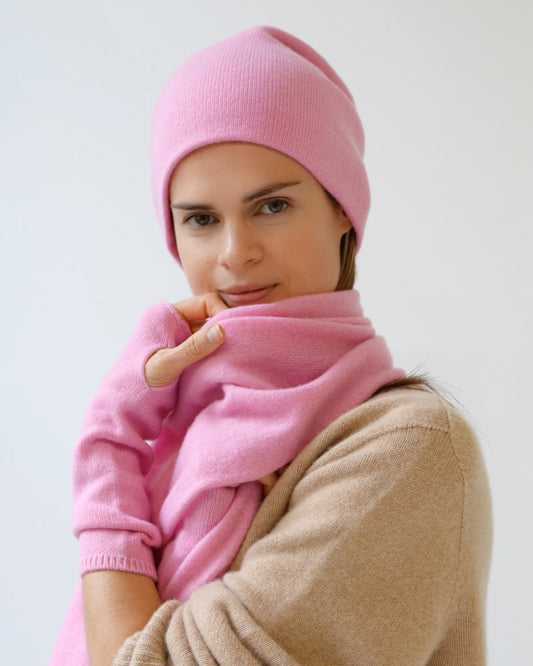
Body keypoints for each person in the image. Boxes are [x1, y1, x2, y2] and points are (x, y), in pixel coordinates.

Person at [49, 26, 492, 666]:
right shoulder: (188, 436)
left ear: (342, 210)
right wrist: (129, 411)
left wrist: (108, 441)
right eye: (201, 219)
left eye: (272, 206)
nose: (235, 254)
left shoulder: (409, 450)